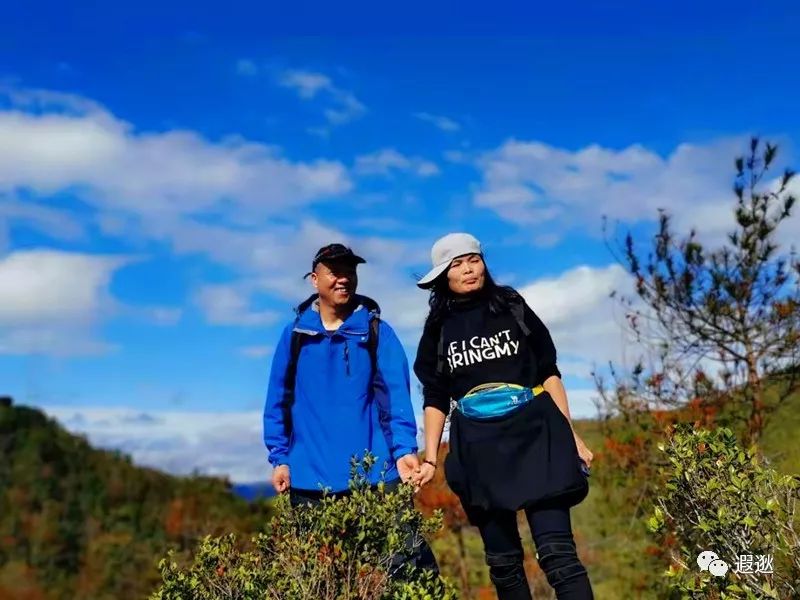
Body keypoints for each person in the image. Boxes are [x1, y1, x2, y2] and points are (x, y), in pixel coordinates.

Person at [412, 233, 594, 599]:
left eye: (473, 260)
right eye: (457, 264)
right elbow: (436, 396)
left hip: (537, 434)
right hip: (479, 447)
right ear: (443, 275)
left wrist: (571, 435)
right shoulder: (439, 327)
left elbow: (548, 371)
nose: (467, 269)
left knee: (559, 556)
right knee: (504, 563)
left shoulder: (511, 304)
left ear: (483, 263)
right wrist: (430, 456)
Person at [263, 242, 436, 572]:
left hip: (377, 475)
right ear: (315, 279)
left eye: (350, 272)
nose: (344, 278)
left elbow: (396, 397)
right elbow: (277, 400)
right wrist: (280, 458)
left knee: (408, 568)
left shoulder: (376, 332)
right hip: (308, 480)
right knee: (321, 578)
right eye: (335, 272)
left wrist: (403, 451)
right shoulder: (295, 335)